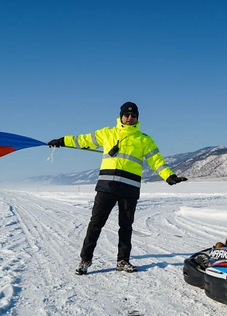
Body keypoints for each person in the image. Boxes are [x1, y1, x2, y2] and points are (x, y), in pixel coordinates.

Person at [48, 102, 187, 275]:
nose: (130, 118)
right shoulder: (107, 133)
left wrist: (169, 176)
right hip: (107, 187)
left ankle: (123, 261)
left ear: (137, 118)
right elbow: (83, 140)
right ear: (121, 116)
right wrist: (62, 141)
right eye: (127, 115)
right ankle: (85, 259)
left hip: (129, 189)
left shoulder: (144, 140)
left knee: (126, 226)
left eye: (133, 115)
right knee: (95, 224)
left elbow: (156, 160)